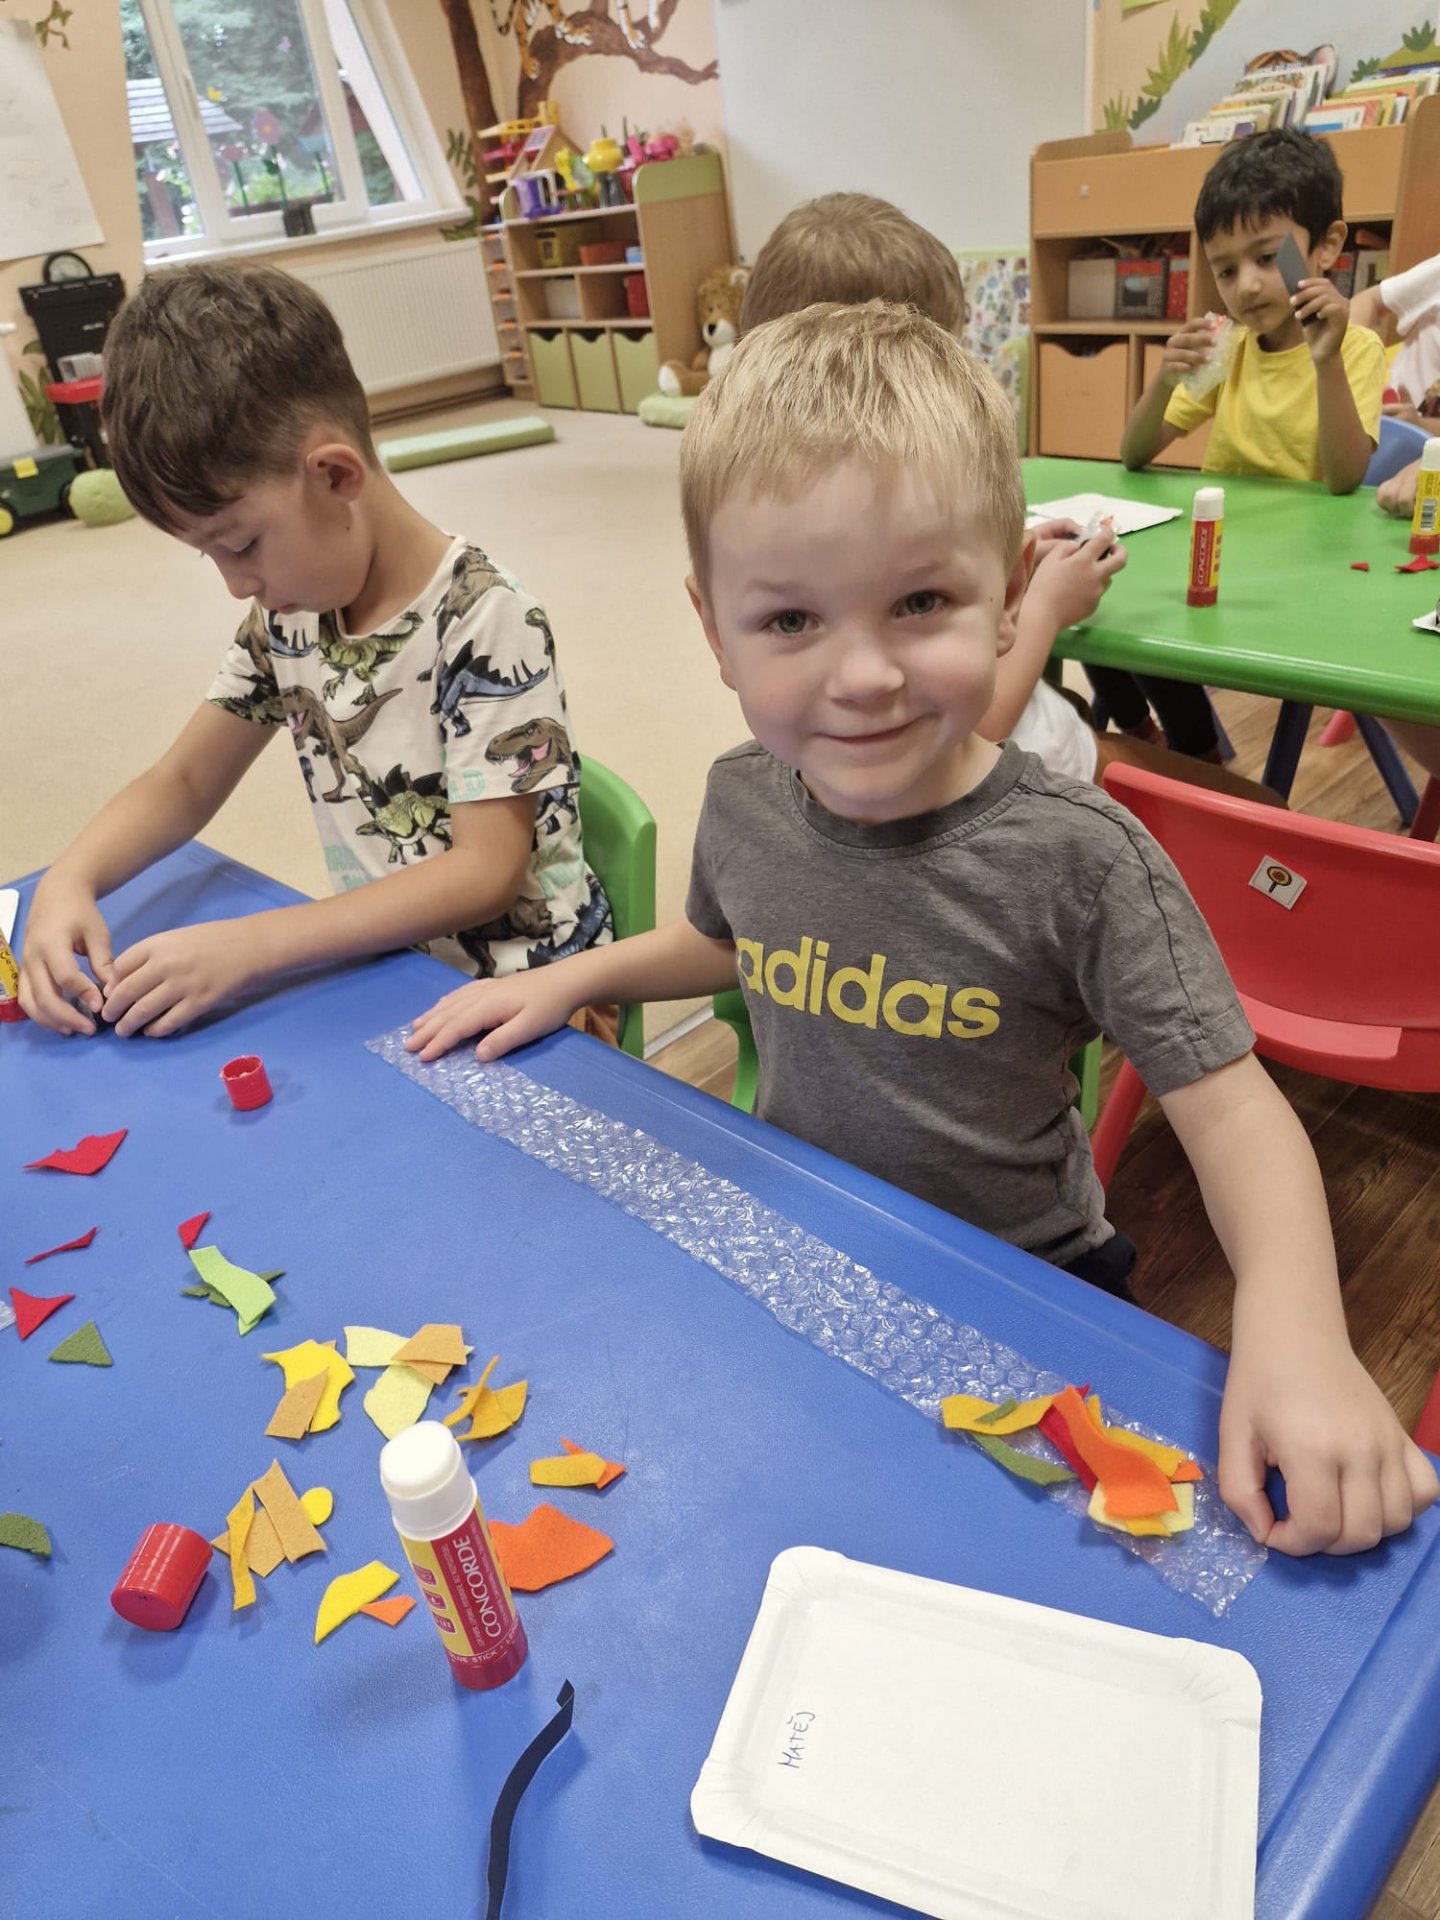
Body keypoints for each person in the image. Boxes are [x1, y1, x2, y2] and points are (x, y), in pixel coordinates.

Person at [407, 301, 1436, 1557]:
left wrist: (1301, 1334)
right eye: (791, 620)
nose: (863, 677)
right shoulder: (745, 796)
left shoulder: (1081, 858)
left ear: (1009, 599)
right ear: (714, 628)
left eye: (921, 601)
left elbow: (1232, 1112)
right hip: (811, 1244)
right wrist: (575, 978)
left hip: (1026, 1289)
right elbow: (736, 945)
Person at [18, 262, 612, 1039]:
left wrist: (255, 945)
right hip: (391, 973)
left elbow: (485, 873)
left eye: (241, 545)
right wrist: (69, 880)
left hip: (531, 996)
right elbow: (185, 779)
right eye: (210, 556)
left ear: (334, 475)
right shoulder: (288, 617)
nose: (236, 584)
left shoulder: (487, 618)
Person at [740, 192, 1278, 800]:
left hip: (1039, 742)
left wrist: (990, 565)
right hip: (1040, 778)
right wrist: (1044, 606)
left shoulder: (784, 518)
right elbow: (977, 731)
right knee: (1265, 807)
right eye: (948, 353)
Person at [1107, 128, 1387, 755]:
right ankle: (1152, 741)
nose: (1247, 286)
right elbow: (1134, 453)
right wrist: (1164, 378)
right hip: (1221, 555)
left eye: (1268, 258)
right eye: (1226, 270)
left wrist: (1325, 361)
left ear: (1326, 247)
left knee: (1137, 617)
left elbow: (1345, 477)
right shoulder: (1229, 346)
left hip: (1302, 570)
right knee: (1098, 599)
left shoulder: (1354, 348)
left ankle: (1195, 754)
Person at [1352, 251, 1440, 520]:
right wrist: (1351, 377)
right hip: (1376, 433)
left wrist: (1421, 425)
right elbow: (1368, 301)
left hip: (1423, 467)